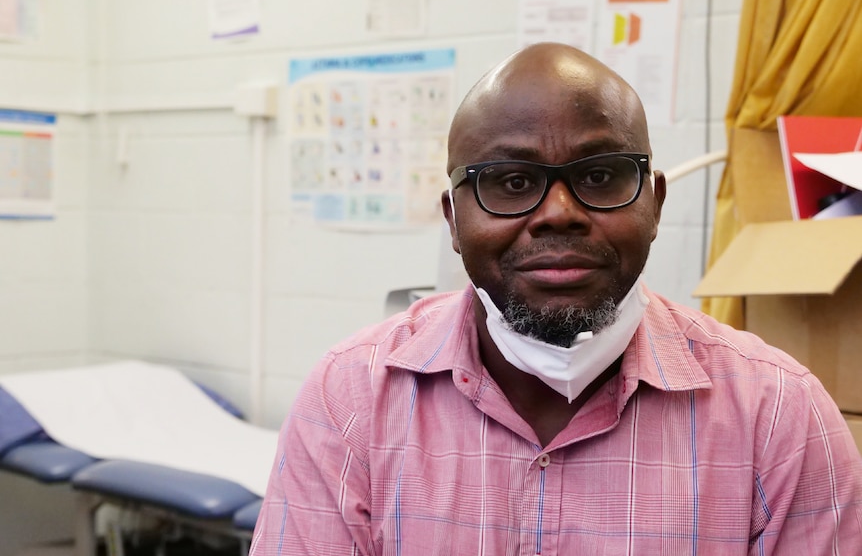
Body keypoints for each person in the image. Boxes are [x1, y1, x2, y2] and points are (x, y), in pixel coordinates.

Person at [250, 43, 862, 555]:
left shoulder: (779, 417)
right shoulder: (350, 400)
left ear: (655, 205)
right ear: (454, 222)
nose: (560, 214)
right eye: (511, 183)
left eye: (600, 176)